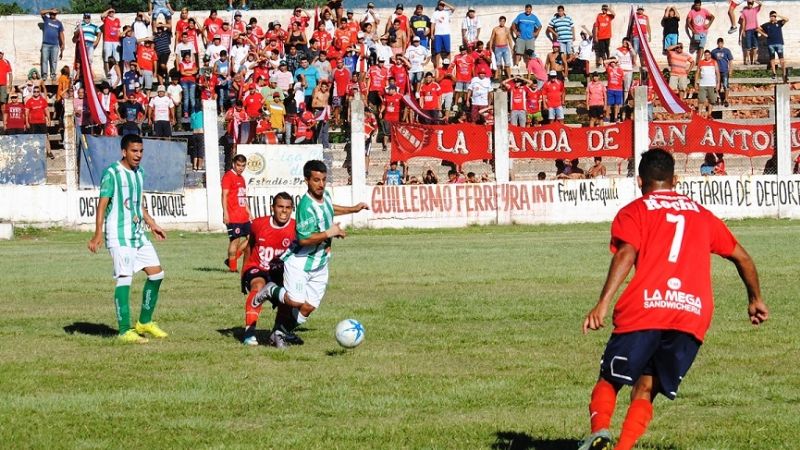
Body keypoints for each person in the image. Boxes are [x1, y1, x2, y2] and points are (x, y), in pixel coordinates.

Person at [579, 148, 768, 450]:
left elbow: (627, 253)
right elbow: (742, 258)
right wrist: (755, 298)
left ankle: (599, 431)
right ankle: (623, 448)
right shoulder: (702, 214)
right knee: (646, 387)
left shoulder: (635, 211)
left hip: (645, 308)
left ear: (639, 181)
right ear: (675, 179)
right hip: (690, 314)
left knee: (610, 379)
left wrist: (603, 302)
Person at [253, 160, 369, 348]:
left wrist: (353, 209)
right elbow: (304, 239)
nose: (321, 184)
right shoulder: (306, 207)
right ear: (307, 180)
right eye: (316, 180)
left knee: (308, 308)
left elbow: (330, 208)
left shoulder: (325, 196)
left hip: (320, 264)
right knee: (295, 301)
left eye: (323, 179)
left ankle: (280, 333)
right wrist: (330, 233)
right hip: (300, 262)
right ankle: (270, 290)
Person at [87, 134, 169, 344]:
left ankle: (144, 322)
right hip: (119, 235)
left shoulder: (139, 173)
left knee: (157, 274)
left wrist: (151, 223)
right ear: (124, 151)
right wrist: (98, 234)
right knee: (125, 279)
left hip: (137, 233)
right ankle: (124, 330)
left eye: (141, 151)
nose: (138, 155)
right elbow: (102, 205)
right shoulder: (112, 173)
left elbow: (137, 204)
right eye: (134, 151)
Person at [240, 193, 296, 346]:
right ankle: (249, 333)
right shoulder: (258, 224)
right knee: (258, 286)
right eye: (280, 207)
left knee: (289, 295)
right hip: (257, 267)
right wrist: (244, 270)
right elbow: (249, 245)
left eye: (288, 208)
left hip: (280, 272)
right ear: (273, 208)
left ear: (292, 209)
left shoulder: (295, 228)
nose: (284, 211)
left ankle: (277, 332)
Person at [221, 154, 252, 272]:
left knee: (252, 238)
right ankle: (233, 268)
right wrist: (225, 213)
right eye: (238, 165)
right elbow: (224, 196)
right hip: (233, 216)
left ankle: (231, 260)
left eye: (243, 166)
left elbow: (243, 197)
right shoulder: (228, 176)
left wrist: (249, 212)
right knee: (235, 240)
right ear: (233, 164)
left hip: (243, 215)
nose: (241, 168)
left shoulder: (242, 178)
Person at [756, 11, 788, 82]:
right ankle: (774, 73)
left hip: (779, 43)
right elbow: (757, 29)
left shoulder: (779, 23)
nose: (773, 17)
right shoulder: (767, 25)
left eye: (774, 16)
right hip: (771, 44)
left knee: (781, 59)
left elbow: (787, 19)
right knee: (772, 59)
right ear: (770, 16)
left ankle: (784, 73)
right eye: (771, 16)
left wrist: (778, 15)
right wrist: (764, 34)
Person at [39, 9, 65, 83]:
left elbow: (61, 34)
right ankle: (44, 76)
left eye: (54, 14)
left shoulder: (59, 23)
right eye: (51, 14)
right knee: (44, 60)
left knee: (54, 61)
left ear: (56, 14)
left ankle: (53, 75)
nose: (52, 15)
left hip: (55, 45)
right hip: (45, 44)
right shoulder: (46, 19)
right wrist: (50, 10)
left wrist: (63, 44)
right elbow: (41, 12)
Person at [686, 0, 715, 65]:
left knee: (702, 47)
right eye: (696, 5)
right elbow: (688, 23)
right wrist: (693, 30)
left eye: (699, 5)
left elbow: (713, 17)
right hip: (696, 33)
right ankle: (698, 59)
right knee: (697, 44)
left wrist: (708, 24)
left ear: (700, 5)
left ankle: (698, 62)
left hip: (704, 32)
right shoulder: (691, 12)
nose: (697, 6)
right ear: (694, 5)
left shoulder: (704, 11)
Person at [431, 1, 456, 68]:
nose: (441, 6)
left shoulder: (447, 12)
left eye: (442, 5)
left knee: (448, 51)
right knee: (437, 51)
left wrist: (445, 3)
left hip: (446, 34)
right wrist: (431, 34)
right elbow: (432, 24)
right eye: (440, 5)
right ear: (438, 5)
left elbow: (453, 8)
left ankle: (449, 65)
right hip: (438, 34)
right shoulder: (435, 13)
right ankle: (437, 67)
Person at [696, 50, 720, 117]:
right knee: (701, 99)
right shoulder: (701, 62)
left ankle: (709, 114)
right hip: (702, 84)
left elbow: (717, 73)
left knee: (712, 100)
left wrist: (718, 84)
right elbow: (697, 73)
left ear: (710, 55)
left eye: (708, 55)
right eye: (705, 55)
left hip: (712, 84)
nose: (707, 56)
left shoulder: (714, 62)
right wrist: (695, 83)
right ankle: (699, 113)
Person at [711, 38, 734, 107]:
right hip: (717, 72)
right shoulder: (714, 51)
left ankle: (726, 99)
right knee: (717, 85)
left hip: (725, 71)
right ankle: (717, 98)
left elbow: (730, 61)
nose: (720, 44)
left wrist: (730, 70)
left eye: (721, 43)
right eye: (719, 43)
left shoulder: (727, 51)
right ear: (717, 43)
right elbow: (711, 61)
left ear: (723, 43)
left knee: (725, 85)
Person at [738, 1, 762, 65]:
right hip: (748, 30)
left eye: (751, 4)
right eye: (749, 3)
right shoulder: (744, 11)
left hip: (755, 30)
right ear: (747, 4)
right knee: (748, 47)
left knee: (755, 46)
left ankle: (755, 60)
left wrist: (753, 0)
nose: (750, 5)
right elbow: (743, 22)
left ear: (753, 4)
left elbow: (761, 4)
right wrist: (743, 31)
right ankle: (747, 60)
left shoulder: (755, 10)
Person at [101, 8, 122, 73]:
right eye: (110, 12)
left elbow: (118, 30)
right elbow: (102, 16)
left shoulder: (117, 20)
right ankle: (108, 73)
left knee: (117, 58)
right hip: (107, 40)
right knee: (107, 58)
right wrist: (108, 10)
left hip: (116, 41)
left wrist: (119, 40)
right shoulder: (106, 19)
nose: (111, 13)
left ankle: (117, 72)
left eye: (113, 12)